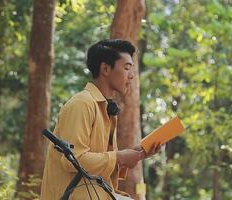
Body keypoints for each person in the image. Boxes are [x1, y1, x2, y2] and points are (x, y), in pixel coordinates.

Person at [41, 39, 161, 200]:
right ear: (105, 68)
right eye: (126, 68)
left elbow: (100, 164)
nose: (132, 76)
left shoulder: (105, 107)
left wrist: (137, 153)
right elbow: (72, 160)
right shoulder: (81, 104)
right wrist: (119, 157)